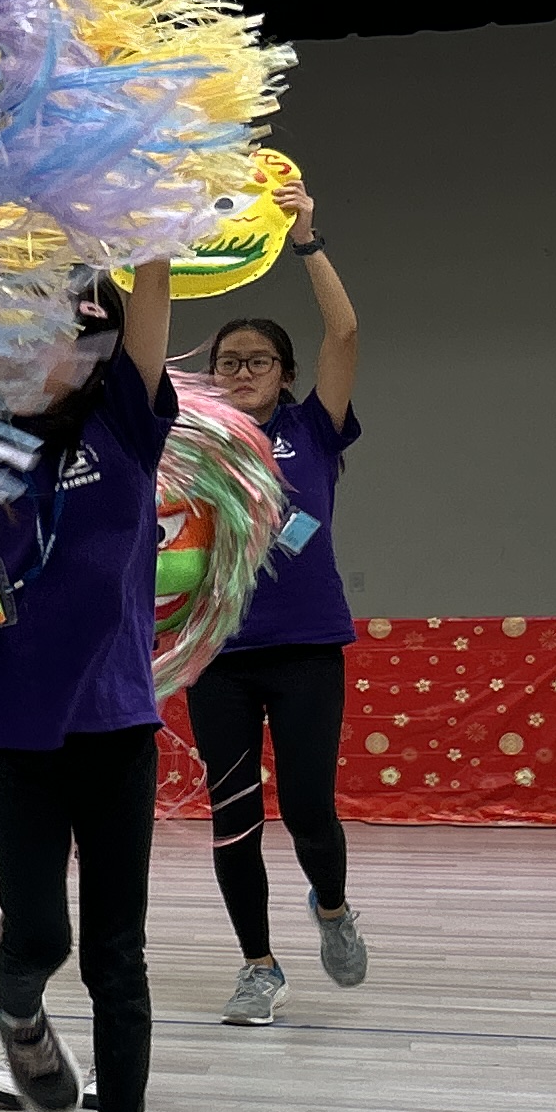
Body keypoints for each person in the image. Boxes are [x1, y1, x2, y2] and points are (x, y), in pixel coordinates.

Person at [0, 269, 175, 1112]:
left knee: (115, 962)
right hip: (17, 733)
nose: (13, 352)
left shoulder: (124, 419)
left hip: (116, 724)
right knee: (37, 932)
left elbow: (151, 297)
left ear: (84, 349)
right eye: (1, 336)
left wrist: (148, 188)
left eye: (38, 334)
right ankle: (14, 1006)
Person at [186, 192, 365, 1026]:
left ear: (284, 375)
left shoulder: (312, 428)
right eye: (229, 360)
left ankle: (331, 905)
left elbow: (347, 335)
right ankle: (258, 966)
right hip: (215, 652)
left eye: (259, 360)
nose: (243, 371)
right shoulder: (183, 440)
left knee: (306, 808)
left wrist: (307, 241)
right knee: (233, 816)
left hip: (304, 650)